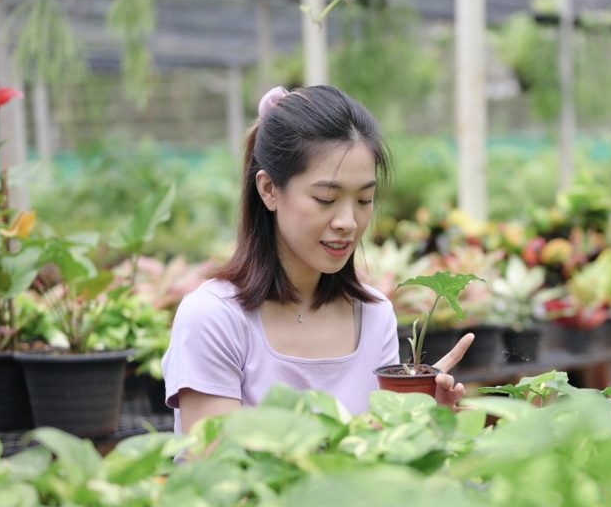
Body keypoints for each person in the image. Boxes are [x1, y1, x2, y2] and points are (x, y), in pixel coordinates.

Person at [162, 85, 472, 434]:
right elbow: (216, 471)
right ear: (269, 190)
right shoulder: (215, 319)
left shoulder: (373, 316)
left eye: (364, 200)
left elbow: (384, 472)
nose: (348, 222)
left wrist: (421, 422)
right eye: (326, 198)